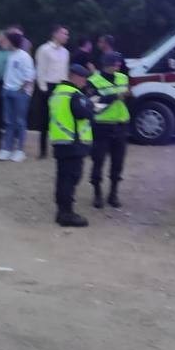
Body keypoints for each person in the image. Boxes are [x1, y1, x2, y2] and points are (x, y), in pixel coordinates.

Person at [49, 63, 96, 226]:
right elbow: (85, 113)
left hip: (61, 142)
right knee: (70, 178)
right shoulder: (74, 94)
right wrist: (90, 104)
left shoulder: (57, 92)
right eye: (83, 78)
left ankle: (62, 211)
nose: (85, 82)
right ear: (75, 77)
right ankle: (66, 214)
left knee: (63, 178)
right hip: (72, 144)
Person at [88, 51, 130, 209]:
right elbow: (94, 104)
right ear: (107, 64)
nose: (118, 65)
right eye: (116, 63)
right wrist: (115, 97)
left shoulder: (123, 78)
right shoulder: (93, 81)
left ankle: (113, 193)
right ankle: (97, 193)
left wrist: (127, 96)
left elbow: (125, 98)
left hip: (121, 124)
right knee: (98, 161)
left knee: (118, 162)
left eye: (118, 63)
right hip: (102, 126)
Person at [0, 30, 35, 161]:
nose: (4, 42)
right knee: (8, 121)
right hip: (7, 90)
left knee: (20, 121)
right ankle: (7, 148)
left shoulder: (24, 56)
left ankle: (20, 150)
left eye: (7, 40)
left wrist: (21, 89)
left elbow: (30, 76)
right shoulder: (10, 55)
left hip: (20, 92)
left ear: (12, 41)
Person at [34, 25, 70, 159]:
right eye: (64, 34)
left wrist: (66, 87)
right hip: (47, 86)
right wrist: (43, 89)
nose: (66, 37)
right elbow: (40, 70)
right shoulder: (44, 50)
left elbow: (64, 72)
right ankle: (43, 150)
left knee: (60, 118)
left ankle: (58, 148)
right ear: (55, 34)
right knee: (44, 119)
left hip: (61, 86)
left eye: (67, 34)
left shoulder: (65, 52)